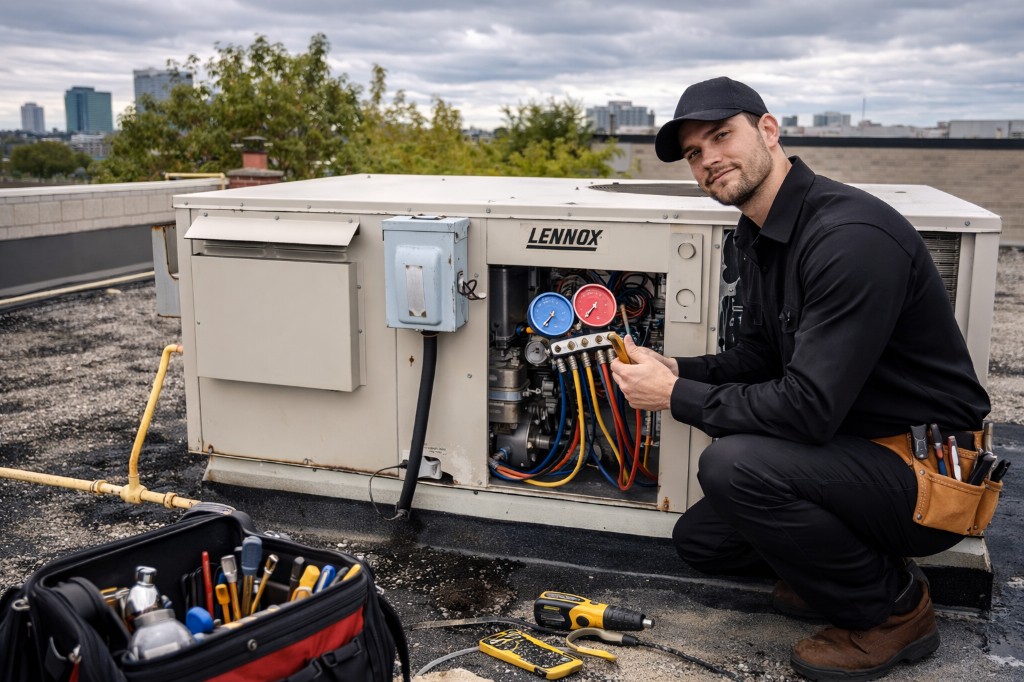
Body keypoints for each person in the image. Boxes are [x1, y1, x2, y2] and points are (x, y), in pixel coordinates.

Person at [610, 77, 990, 681]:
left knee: (734, 467)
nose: (708, 160)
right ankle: (858, 571)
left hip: (930, 475)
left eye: (720, 136)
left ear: (768, 130)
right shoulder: (761, 232)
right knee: (704, 544)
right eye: (693, 153)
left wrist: (675, 397)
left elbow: (808, 409)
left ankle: (895, 611)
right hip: (854, 450)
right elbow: (760, 357)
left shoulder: (849, 239)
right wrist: (677, 368)